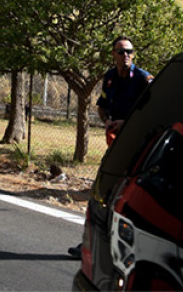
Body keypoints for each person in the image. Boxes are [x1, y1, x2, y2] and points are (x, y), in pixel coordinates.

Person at [67, 35, 154, 260]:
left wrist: (126, 123)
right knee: (103, 191)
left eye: (129, 51)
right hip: (117, 145)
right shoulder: (109, 78)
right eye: (121, 52)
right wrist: (106, 120)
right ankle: (90, 245)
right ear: (113, 55)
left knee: (131, 198)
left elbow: (154, 114)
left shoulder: (144, 80)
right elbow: (102, 106)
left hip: (140, 148)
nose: (126, 55)